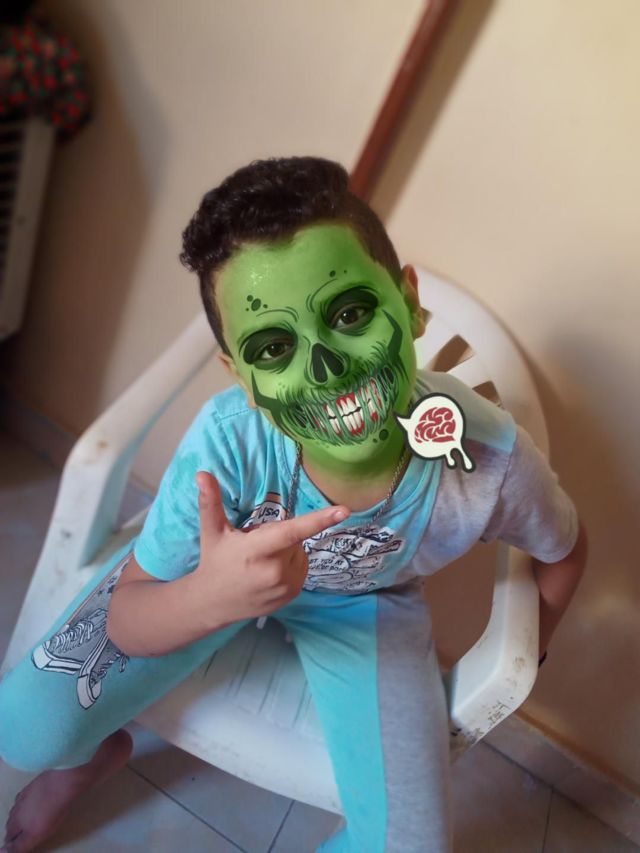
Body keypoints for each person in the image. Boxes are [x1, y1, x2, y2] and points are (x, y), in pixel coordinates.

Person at [0, 156, 587, 852]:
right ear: (241, 378)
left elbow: (565, 550)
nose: (327, 368)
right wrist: (211, 596)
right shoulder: (229, 442)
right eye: (274, 347)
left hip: (366, 606)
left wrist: (525, 653)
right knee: (23, 729)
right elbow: (132, 613)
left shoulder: (489, 458)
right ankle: (81, 765)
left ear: (408, 301)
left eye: (350, 313)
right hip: (209, 576)